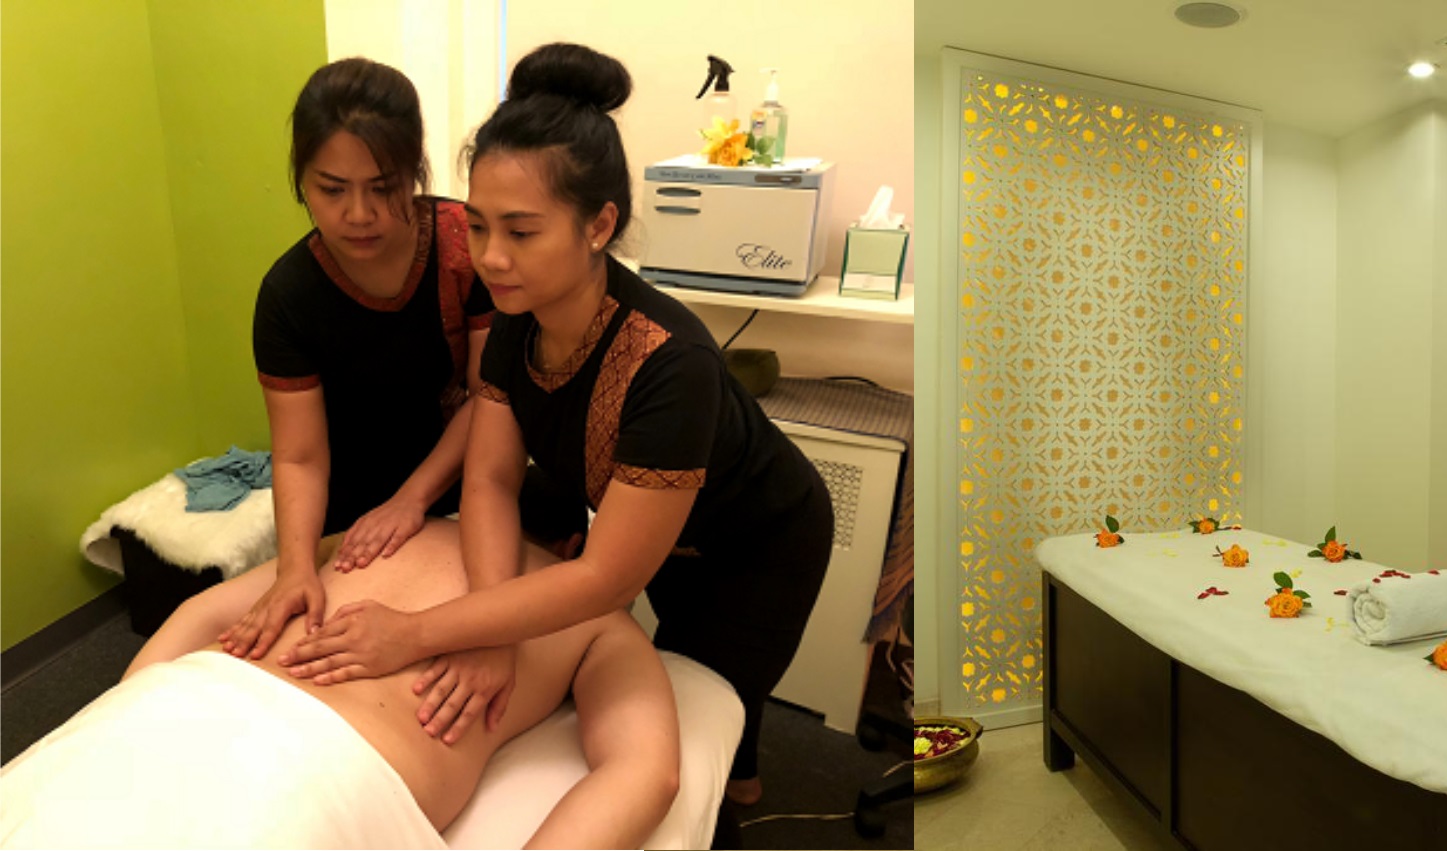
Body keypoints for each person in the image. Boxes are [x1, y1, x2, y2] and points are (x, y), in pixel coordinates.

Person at [282, 43, 834, 806]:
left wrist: (418, 631)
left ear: (598, 224)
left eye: (521, 232)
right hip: (656, 528)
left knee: (717, 711)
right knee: (658, 669)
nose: (490, 258)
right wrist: (487, 627)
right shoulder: (521, 316)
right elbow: (489, 479)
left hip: (757, 544)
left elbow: (608, 577)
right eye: (478, 227)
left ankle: (738, 797)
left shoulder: (670, 364)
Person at [127, 57, 582, 678]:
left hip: (470, 481)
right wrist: (294, 569)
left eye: (383, 186)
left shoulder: (467, 247)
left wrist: (412, 501)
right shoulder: (289, 295)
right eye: (333, 189)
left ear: (415, 171)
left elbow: (489, 396)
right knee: (227, 622)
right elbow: (298, 456)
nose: (359, 214)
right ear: (301, 180)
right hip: (354, 504)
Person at [5, 520, 678, 849]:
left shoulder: (372, 536)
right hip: (318, 767)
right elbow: (647, 774)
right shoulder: (597, 617)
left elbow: (199, 612)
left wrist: (126, 712)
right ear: (571, 545)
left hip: (177, 697)